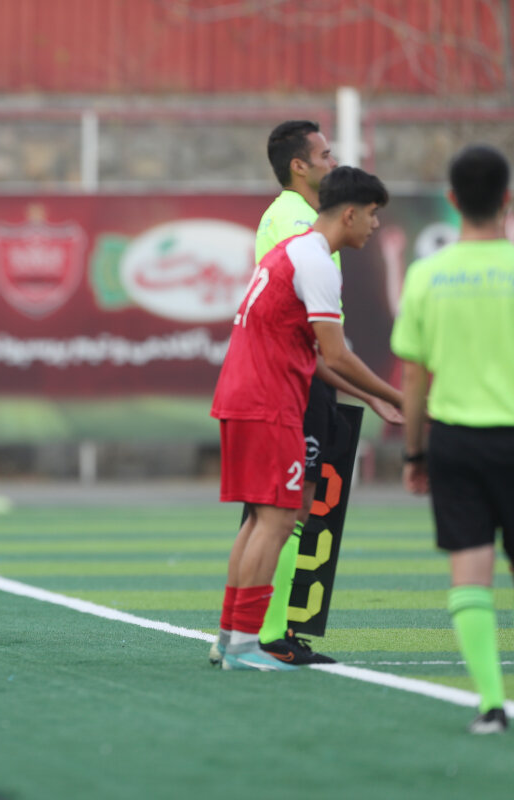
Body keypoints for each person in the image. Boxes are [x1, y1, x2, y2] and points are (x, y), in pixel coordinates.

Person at [210, 166, 402, 670]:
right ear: (350, 214)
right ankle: (245, 646)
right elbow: (335, 354)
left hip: (245, 394)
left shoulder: (292, 253)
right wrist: (396, 396)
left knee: (260, 518)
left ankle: (231, 639)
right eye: (373, 215)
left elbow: (312, 356)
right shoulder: (317, 262)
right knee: (278, 518)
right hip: (268, 401)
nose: (376, 226)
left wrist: (373, 398)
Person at [391, 144, 514, 734]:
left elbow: (415, 378)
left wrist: (415, 452)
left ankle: (491, 704)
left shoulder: (426, 275)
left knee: (470, 572)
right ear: (508, 199)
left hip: (456, 443)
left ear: (453, 200)